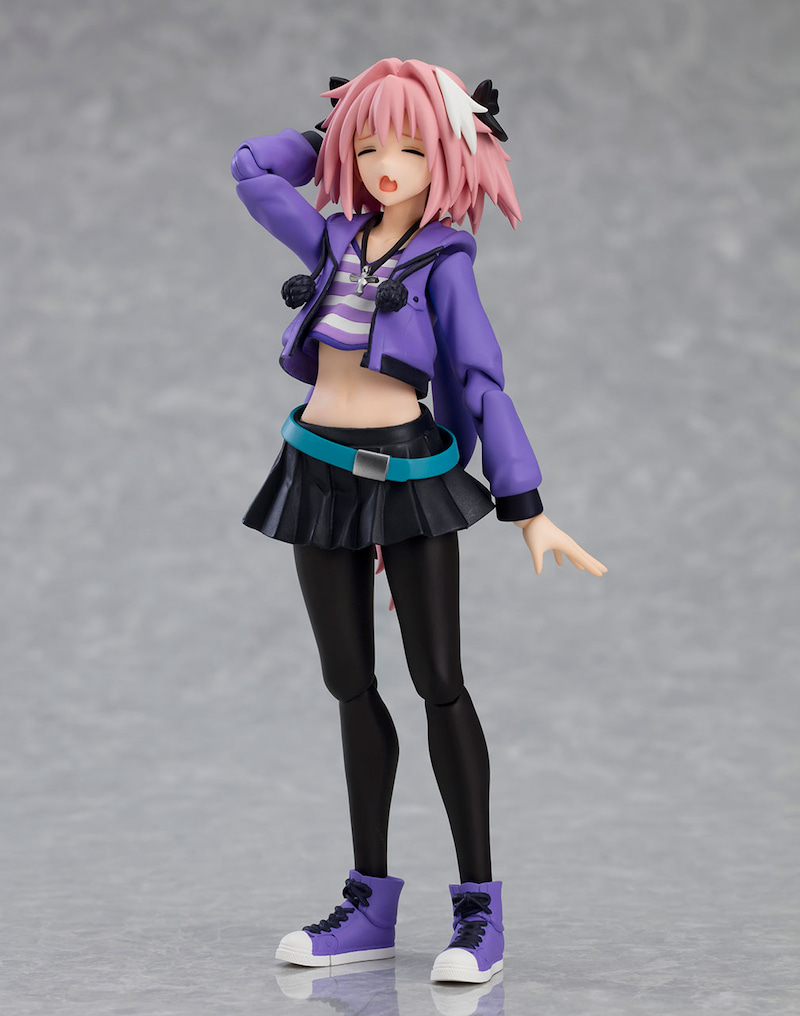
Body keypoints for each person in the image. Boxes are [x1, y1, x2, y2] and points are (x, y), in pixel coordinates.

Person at [231, 57, 606, 984]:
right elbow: (251, 170)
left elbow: (479, 379)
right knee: (349, 683)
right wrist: (329, 130)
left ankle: (479, 911)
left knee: (440, 683)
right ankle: (369, 902)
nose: (385, 166)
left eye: (410, 146)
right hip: (317, 472)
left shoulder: (445, 261)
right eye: (368, 147)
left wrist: (527, 505)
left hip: (409, 477)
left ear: (450, 155)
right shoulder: (332, 239)